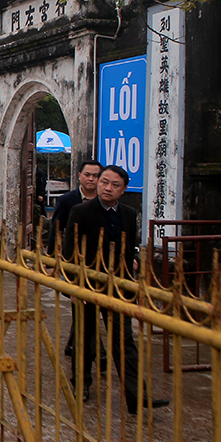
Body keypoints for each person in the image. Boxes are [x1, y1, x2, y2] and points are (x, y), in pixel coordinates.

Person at [63, 166, 168, 413]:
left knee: (124, 342)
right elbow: (69, 252)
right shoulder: (81, 211)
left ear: (123, 189)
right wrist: (75, 288)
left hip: (118, 287)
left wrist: (130, 275)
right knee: (85, 338)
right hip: (87, 285)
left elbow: (129, 247)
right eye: (104, 182)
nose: (108, 188)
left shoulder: (129, 215)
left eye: (115, 185)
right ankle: (82, 384)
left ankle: (136, 396)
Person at [48, 160, 101, 356]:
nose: (91, 179)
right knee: (80, 305)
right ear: (79, 175)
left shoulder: (104, 202)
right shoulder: (68, 200)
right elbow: (56, 228)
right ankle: (98, 351)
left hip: (99, 262)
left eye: (95, 176)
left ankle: (74, 344)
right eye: (87, 174)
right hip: (73, 261)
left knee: (87, 308)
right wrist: (52, 259)